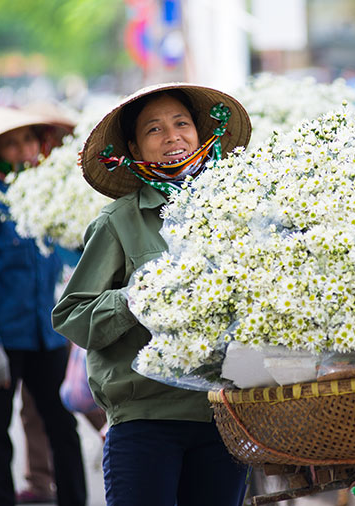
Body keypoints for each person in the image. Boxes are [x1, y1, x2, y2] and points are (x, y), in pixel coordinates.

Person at [52, 83, 252, 506]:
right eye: (154, 130)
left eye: (182, 124)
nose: (172, 137)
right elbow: (72, 315)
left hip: (223, 415)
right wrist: (132, 299)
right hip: (145, 420)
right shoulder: (119, 221)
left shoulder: (234, 209)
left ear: (201, 134)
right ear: (134, 148)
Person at [0, 106, 87, 506]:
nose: (22, 150)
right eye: (11, 144)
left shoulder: (52, 206)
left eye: (28, 140)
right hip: (1, 342)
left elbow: (75, 262)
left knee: (61, 426)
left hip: (48, 339)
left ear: (41, 145)